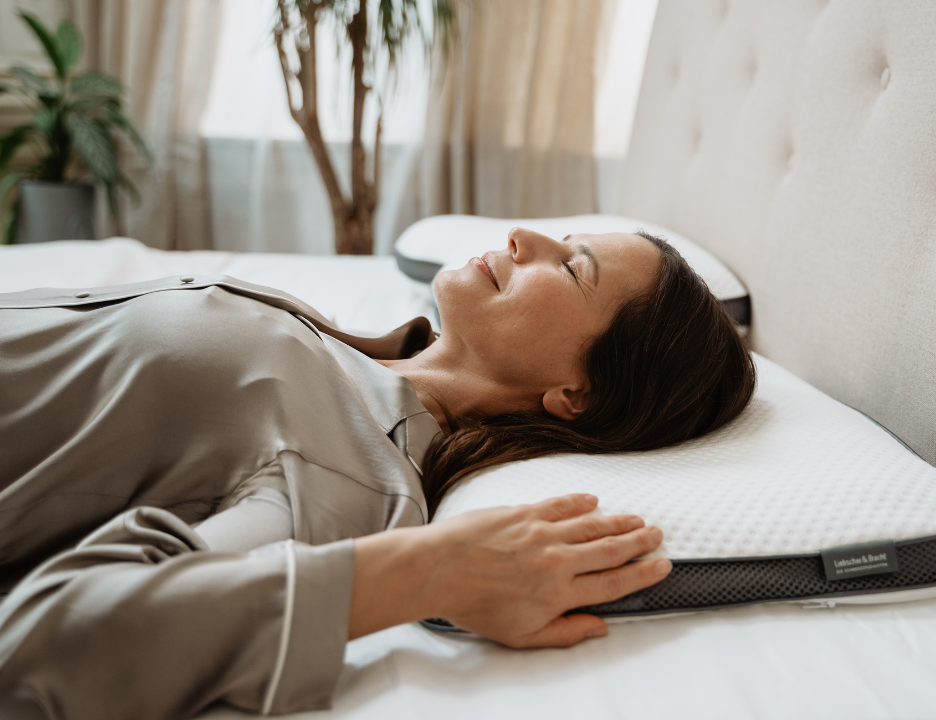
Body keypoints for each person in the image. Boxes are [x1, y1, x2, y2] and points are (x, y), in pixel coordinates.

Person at [0, 227, 755, 719]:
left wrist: (423, 575)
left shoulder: (349, 471)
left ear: (578, 393)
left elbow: (44, 646)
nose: (524, 237)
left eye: (571, 266)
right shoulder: (362, 357)